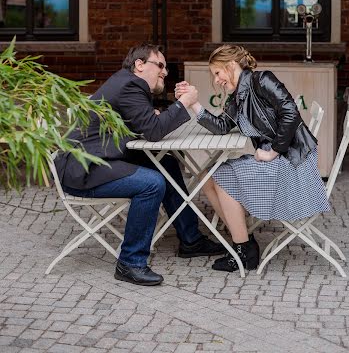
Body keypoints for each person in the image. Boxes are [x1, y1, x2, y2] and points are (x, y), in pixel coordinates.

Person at [55, 43, 224, 287]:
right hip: (84, 169)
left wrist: (153, 116)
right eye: (160, 65)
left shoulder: (126, 83)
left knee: (166, 162)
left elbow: (144, 125)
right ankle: (130, 263)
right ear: (140, 64)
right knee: (151, 184)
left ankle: (191, 239)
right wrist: (184, 103)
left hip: (95, 159)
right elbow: (154, 132)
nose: (165, 72)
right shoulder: (131, 85)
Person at [175, 44, 330, 273]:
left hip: (291, 162)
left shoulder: (262, 80)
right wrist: (193, 103)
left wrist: (273, 151)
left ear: (230, 66)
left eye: (217, 73)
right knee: (206, 177)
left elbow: (291, 113)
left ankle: (243, 249)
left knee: (220, 176)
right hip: (274, 159)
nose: (217, 80)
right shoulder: (238, 95)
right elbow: (221, 127)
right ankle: (244, 242)